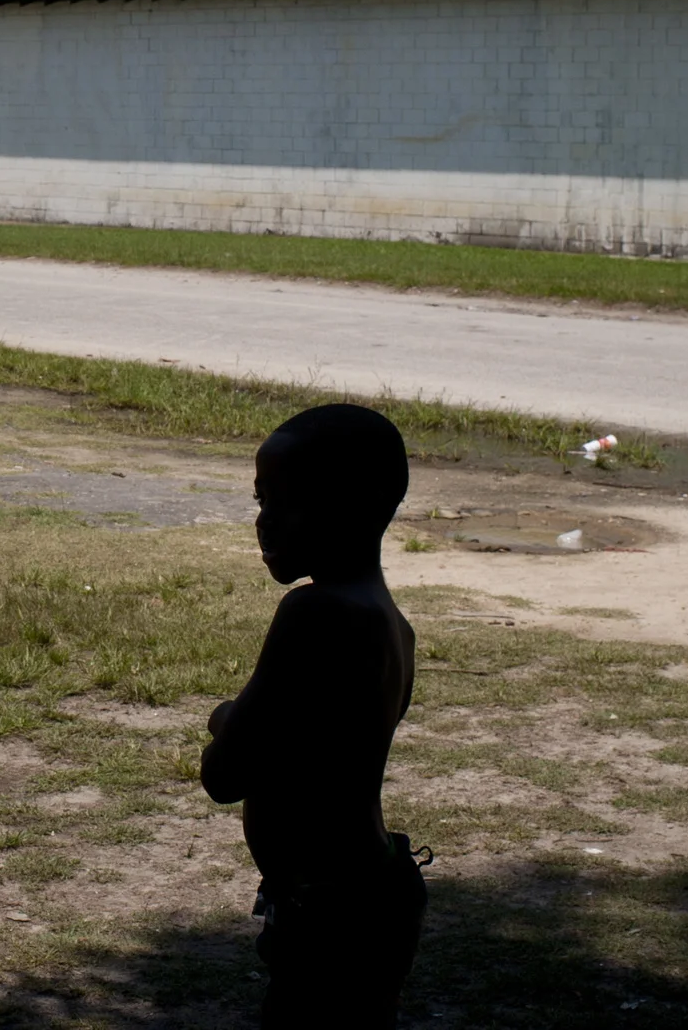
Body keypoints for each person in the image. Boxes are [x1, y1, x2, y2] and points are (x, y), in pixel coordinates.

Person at [200, 403, 425, 1029]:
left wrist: (223, 716)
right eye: (260, 500)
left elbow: (226, 773)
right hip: (371, 890)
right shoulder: (390, 623)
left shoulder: (314, 614)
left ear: (360, 503)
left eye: (288, 501)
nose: (265, 523)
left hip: (333, 915)